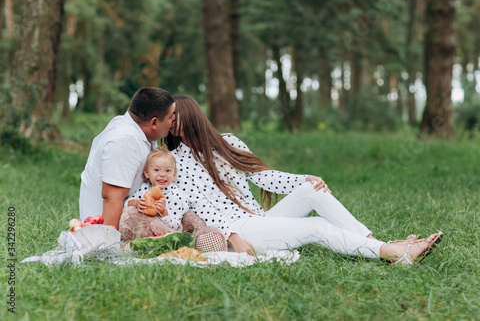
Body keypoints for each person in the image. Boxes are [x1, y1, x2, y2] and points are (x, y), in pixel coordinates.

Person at [163, 95, 443, 265]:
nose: (170, 121)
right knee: (316, 227)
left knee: (312, 190)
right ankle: (393, 253)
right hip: (239, 230)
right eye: (167, 118)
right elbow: (193, 210)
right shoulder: (174, 161)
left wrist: (302, 179)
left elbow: (264, 177)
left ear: (191, 115)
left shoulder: (227, 143)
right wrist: (229, 235)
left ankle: (374, 242)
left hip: (259, 219)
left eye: (174, 115)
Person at [79, 87, 176, 229]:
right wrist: (109, 248)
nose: (173, 121)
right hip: (104, 229)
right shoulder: (124, 140)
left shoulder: (143, 132)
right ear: (154, 123)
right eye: (170, 117)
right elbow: (112, 198)